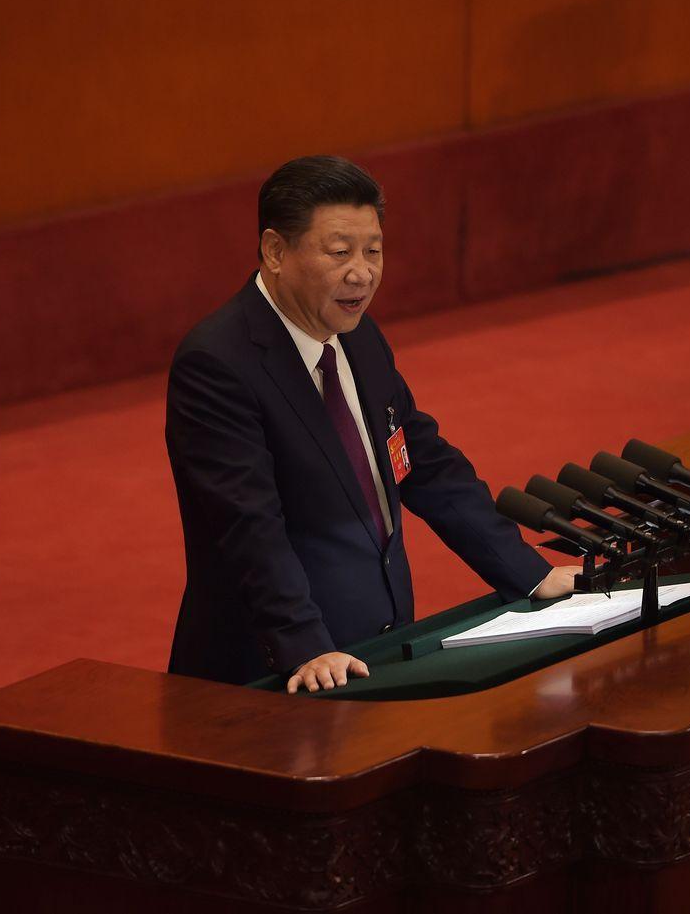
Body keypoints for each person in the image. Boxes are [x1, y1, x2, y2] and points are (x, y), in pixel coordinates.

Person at [165, 155, 577, 692]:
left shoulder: (357, 336)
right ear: (275, 252)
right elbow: (248, 525)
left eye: (373, 251)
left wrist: (528, 572)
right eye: (339, 252)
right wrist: (305, 646)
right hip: (274, 674)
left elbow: (423, 462)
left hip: (377, 653)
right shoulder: (218, 363)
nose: (362, 272)